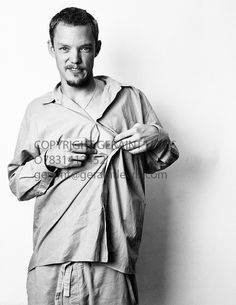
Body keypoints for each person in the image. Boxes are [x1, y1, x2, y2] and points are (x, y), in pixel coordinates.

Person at [8, 7, 179, 305]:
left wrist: (159, 136)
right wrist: (48, 161)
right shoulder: (39, 110)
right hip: (53, 261)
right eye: (64, 48)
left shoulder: (130, 99)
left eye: (84, 48)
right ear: (51, 49)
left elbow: (161, 160)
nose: (74, 59)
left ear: (97, 48)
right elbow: (18, 184)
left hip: (114, 263)